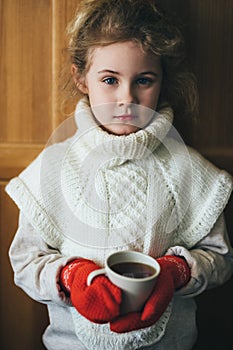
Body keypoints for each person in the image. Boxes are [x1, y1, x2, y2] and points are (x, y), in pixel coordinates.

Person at [6, 0, 233, 349]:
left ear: (162, 81)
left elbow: (219, 257)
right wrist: (71, 276)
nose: (126, 99)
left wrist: (177, 272)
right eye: (110, 80)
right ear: (80, 78)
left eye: (143, 80)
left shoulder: (187, 169)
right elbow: (25, 261)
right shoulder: (53, 167)